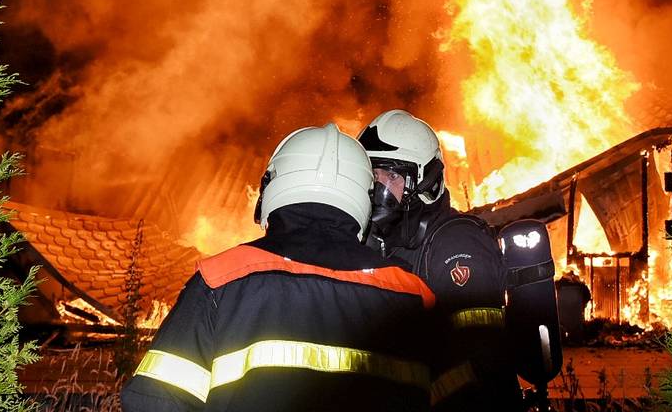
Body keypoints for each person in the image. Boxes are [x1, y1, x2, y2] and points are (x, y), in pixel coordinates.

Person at [121, 123, 436, 412]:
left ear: (272, 185)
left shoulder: (220, 280)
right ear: (367, 198)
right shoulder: (413, 296)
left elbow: (155, 402)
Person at [359, 110, 523, 411]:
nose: (378, 189)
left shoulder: (458, 243)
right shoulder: (381, 245)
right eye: (373, 175)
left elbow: (481, 362)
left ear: (428, 183)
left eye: (392, 176)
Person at [554, 270, 592, 346]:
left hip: (562, 314)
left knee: (562, 326)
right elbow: (587, 296)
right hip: (576, 315)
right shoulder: (581, 286)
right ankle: (576, 339)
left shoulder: (559, 284)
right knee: (576, 329)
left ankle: (564, 338)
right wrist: (582, 305)